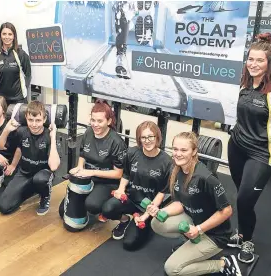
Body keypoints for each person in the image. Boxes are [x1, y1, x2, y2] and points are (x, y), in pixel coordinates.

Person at [227, 32, 271, 263]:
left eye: (259, 60)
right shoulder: (245, 84)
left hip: (260, 154)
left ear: (270, 63)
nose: (253, 64)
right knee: (241, 197)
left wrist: (266, 145)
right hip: (237, 147)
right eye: (250, 59)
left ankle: (247, 239)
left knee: (245, 200)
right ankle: (240, 233)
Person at [151, 132, 241, 276]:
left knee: (172, 269)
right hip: (194, 220)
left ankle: (223, 264)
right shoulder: (176, 170)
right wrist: (162, 211)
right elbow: (181, 202)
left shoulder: (206, 178)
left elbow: (227, 211)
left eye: (183, 150)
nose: (178, 154)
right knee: (156, 223)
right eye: (175, 149)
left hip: (215, 235)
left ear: (194, 152)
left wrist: (198, 229)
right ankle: (189, 243)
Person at [101, 121, 172, 250]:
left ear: (157, 137)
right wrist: (121, 189)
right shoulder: (132, 153)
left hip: (149, 206)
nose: (147, 140)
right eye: (143, 137)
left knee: (129, 245)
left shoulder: (167, 162)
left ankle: (148, 225)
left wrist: (145, 216)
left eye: (151, 136)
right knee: (107, 208)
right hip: (130, 199)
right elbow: (126, 174)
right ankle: (125, 220)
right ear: (139, 139)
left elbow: (162, 192)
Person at [0, 101, 60, 215]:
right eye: (31, 120)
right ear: (26, 118)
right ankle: (32, 188)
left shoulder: (48, 135)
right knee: (4, 207)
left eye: (38, 120)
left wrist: (53, 137)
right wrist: (6, 130)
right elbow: (0, 147)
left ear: (44, 120)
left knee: (40, 179)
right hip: (24, 173)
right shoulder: (22, 132)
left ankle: (45, 196)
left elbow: (54, 166)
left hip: (43, 173)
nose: (34, 124)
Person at [70, 100, 127, 220]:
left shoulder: (116, 142)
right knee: (63, 210)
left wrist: (92, 172)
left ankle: (109, 211)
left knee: (92, 205)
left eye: (100, 121)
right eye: (93, 120)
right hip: (88, 177)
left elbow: (118, 174)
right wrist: (80, 167)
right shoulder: (89, 132)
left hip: (107, 182)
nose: (95, 124)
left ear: (109, 121)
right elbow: (82, 153)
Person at [0, 22, 31, 105]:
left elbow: (28, 75)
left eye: (10, 34)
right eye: (4, 34)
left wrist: (22, 90)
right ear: (0, 36)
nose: (7, 37)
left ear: (14, 36)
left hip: (18, 100)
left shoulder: (21, 54)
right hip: (0, 100)